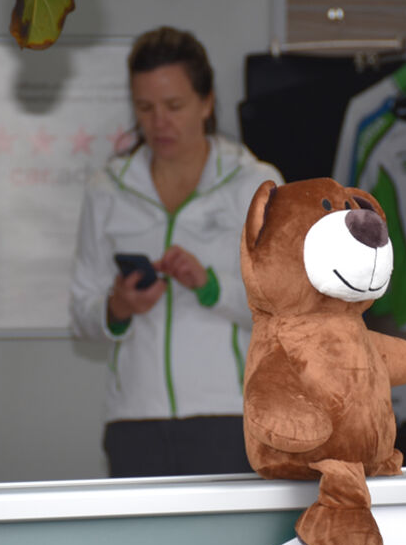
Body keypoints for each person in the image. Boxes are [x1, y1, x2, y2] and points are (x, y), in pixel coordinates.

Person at [68, 27, 283, 477]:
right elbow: (81, 315)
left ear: (206, 102)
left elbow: (286, 305)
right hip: (134, 421)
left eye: (174, 105)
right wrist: (117, 307)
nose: (159, 122)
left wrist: (210, 287)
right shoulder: (107, 189)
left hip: (231, 415)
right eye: (145, 108)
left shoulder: (254, 184)